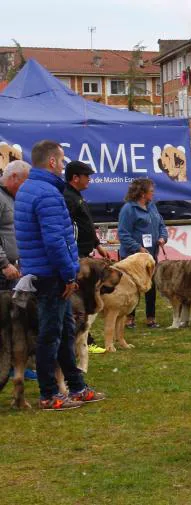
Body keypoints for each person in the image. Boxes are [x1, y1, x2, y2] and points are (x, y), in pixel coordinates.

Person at [15, 140, 105, 410]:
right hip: (52, 275)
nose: (64, 164)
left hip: (46, 271)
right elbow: (56, 241)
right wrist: (69, 275)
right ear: (52, 162)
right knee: (51, 335)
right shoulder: (47, 194)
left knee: (65, 331)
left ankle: (76, 387)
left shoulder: (31, 189)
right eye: (62, 159)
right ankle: (49, 394)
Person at [64, 160, 110, 354]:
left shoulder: (77, 197)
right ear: (76, 178)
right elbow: (68, 228)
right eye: (87, 176)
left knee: (86, 296)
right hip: (77, 256)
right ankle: (82, 340)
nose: (89, 180)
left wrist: (97, 245)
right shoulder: (68, 197)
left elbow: (85, 225)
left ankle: (84, 338)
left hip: (86, 252)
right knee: (80, 298)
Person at [0, 160, 35, 381]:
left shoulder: (11, 199)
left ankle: (15, 363)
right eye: (24, 182)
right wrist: (3, 263)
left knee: (15, 319)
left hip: (14, 268)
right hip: (4, 270)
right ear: (14, 178)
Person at [117, 178, 168, 329]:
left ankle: (151, 318)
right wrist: (137, 247)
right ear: (142, 193)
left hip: (150, 256)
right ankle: (129, 318)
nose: (153, 193)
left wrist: (162, 237)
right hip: (133, 257)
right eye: (151, 190)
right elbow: (123, 234)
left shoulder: (152, 207)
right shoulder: (128, 209)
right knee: (132, 287)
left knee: (150, 287)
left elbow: (161, 225)